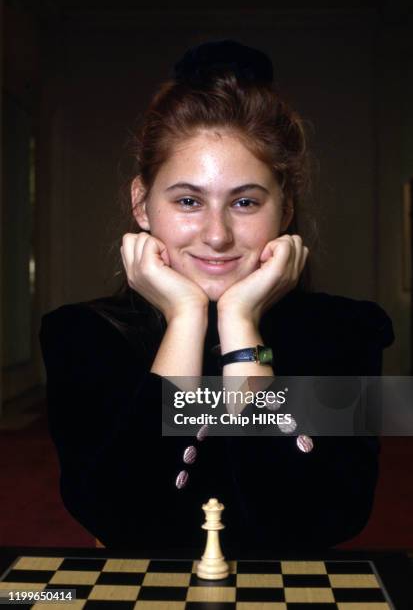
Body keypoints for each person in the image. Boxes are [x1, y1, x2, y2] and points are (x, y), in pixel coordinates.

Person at [39, 40, 394, 553]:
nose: (218, 235)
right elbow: (122, 519)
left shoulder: (347, 332)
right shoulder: (81, 335)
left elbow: (323, 518)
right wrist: (185, 320)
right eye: (188, 200)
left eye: (246, 202)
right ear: (141, 203)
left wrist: (241, 330)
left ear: (285, 207)